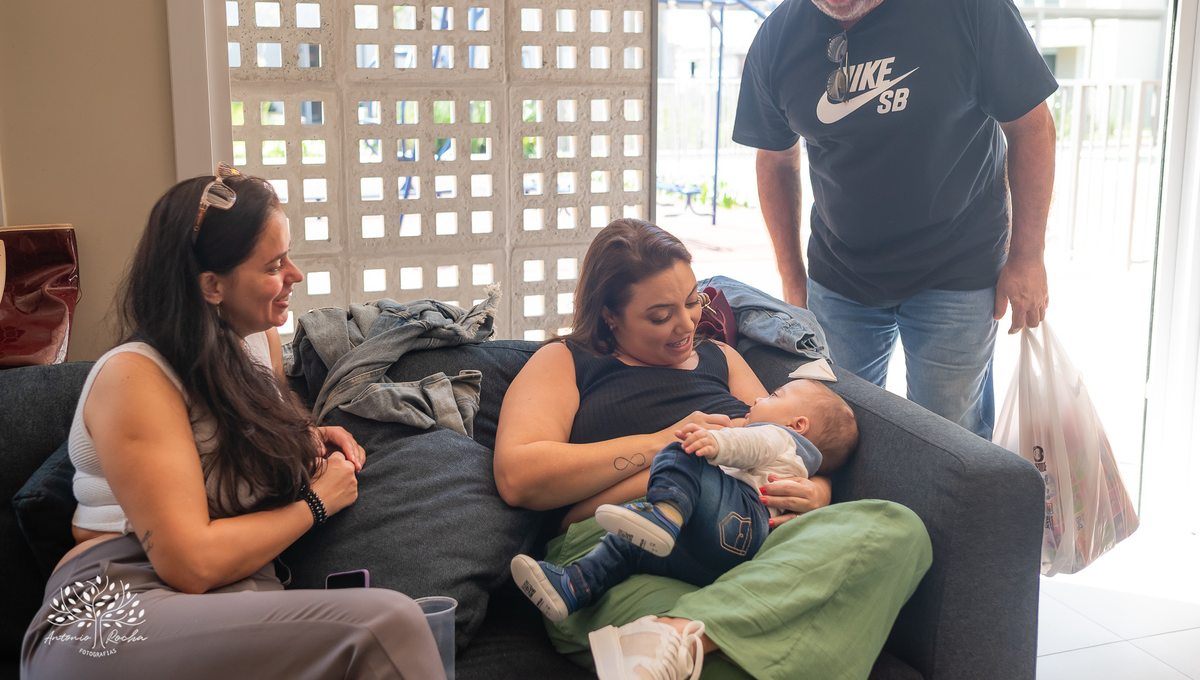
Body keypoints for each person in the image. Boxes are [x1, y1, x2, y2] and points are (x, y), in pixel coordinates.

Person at [22, 165, 446, 679]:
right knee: (386, 623)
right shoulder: (134, 377)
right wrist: (318, 501)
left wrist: (299, 439)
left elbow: (215, 438)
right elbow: (191, 563)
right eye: (273, 265)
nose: (294, 275)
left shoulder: (253, 344)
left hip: (235, 596)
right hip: (113, 611)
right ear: (212, 285)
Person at [493, 218, 931, 680]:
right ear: (610, 314)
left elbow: (788, 438)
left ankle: (681, 636)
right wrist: (666, 442)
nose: (686, 326)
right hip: (616, 554)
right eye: (660, 316)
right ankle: (703, 636)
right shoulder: (566, 361)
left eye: (691, 302)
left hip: (747, 537)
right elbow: (519, 477)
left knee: (897, 528)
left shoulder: (723, 359)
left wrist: (818, 487)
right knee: (736, 667)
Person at [732, 0, 1058, 440]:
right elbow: (775, 160)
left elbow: (1031, 128)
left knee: (947, 442)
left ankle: (948, 533)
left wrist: (1027, 258)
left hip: (956, 270)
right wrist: (794, 279)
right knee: (839, 435)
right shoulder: (780, 39)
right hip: (840, 274)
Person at [510, 378, 858, 623]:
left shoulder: (778, 437)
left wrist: (714, 442)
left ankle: (664, 514)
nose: (757, 400)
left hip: (734, 512)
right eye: (659, 314)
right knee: (628, 543)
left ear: (798, 425)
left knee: (680, 453)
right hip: (725, 548)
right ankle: (572, 586)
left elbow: (753, 443)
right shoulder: (787, 445)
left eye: (773, 395)